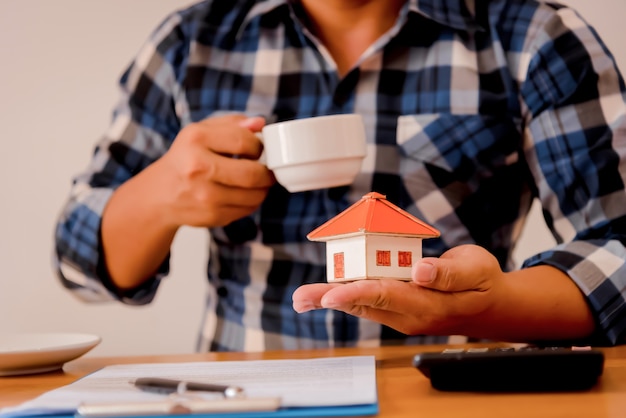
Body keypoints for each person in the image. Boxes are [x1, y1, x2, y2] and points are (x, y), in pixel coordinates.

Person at [54, 0, 626, 352]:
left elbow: (619, 249)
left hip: (449, 389)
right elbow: (77, 264)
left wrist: (489, 302)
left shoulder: (530, 35)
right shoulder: (191, 43)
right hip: (241, 392)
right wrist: (159, 196)